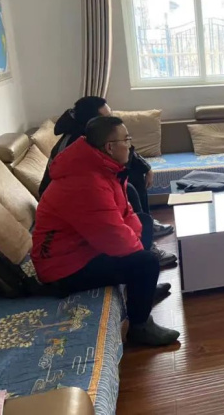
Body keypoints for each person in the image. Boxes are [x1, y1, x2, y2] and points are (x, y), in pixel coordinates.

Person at [31, 116, 180, 346]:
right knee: (146, 262)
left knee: (144, 223)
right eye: (126, 139)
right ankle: (140, 328)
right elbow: (114, 239)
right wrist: (139, 252)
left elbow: (124, 211)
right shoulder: (86, 182)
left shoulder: (102, 168)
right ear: (110, 147)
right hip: (62, 268)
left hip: (80, 248)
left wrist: (135, 238)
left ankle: (143, 289)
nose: (130, 145)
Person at [39, 96, 176, 268]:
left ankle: (144, 238)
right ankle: (144, 251)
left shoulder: (92, 136)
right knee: (130, 186)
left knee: (133, 186)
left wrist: (145, 167)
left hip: (84, 194)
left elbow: (126, 153)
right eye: (106, 117)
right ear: (93, 121)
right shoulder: (74, 144)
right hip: (68, 204)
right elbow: (82, 186)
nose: (111, 121)